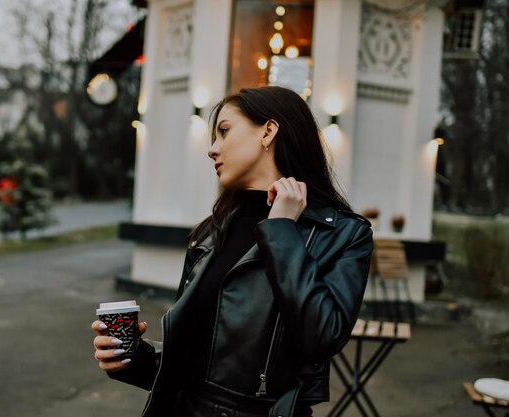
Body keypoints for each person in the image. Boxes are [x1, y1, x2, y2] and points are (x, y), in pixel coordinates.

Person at [92, 86, 373, 417]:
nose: (212, 149)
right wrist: (132, 358)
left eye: (224, 131)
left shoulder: (343, 234)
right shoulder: (212, 231)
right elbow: (196, 362)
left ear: (268, 131)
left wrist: (281, 230)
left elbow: (322, 336)